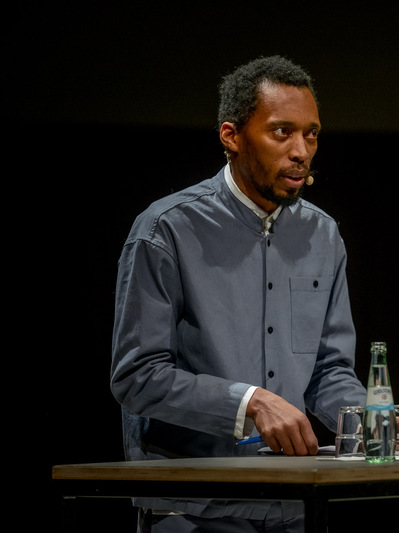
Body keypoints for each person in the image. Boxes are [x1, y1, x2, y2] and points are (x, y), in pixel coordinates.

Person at [110, 55, 367, 532]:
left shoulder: (324, 235)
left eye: (311, 134)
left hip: (295, 504)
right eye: (282, 132)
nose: (301, 151)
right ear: (231, 136)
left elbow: (329, 370)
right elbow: (137, 377)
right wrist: (249, 401)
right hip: (195, 507)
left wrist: (366, 418)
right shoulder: (166, 230)